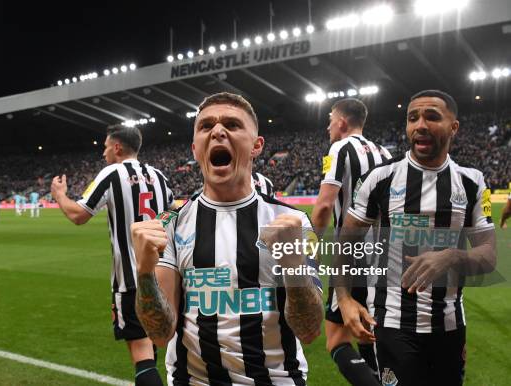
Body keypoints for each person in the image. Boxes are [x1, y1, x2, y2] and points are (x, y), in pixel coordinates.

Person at [131, 92, 323, 385]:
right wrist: (144, 273)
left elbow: (308, 330)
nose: (218, 131)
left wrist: (294, 265)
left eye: (232, 125)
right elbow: (160, 334)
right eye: (206, 126)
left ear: (256, 145)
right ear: (195, 148)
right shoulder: (171, 224)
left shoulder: (296, 223)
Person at [336, 90, 496, 385]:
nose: (420, 125)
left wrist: (452, 256)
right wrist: (344, 298)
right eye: (413, 118)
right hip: (393, 323)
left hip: (449, 324)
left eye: (432, 117)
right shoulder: (381, 179)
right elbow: (347, 240)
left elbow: (488, 255)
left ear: (454, 127)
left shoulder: (471, 182)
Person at [51, 125, 174, 386]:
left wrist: (60, 196)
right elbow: (173, 213)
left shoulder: (111, 173)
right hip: (164, 276)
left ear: (117, 147)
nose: (104, 152)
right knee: (156, 348)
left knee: (142, 357)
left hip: (131, 280)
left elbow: (78, 215)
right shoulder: (159, 176)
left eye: (106, 146)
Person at [311, 98, 390, 385]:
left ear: (342, 122)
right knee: (369, 331)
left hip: (351, 254)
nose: (328, 125)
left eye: (331, 119)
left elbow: (323, 207)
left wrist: (310, 251)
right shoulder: (384, 153)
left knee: (336, 339)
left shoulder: (339, 149)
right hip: (383, 255)